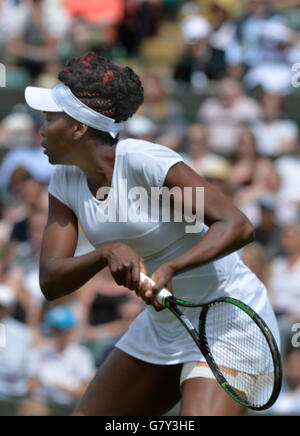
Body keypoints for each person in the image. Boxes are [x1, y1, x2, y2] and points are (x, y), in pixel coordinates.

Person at [24, 52, 280, 416]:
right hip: (164, 326)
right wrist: (104, 253)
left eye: (50, 119)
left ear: (79, 127)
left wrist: (170, 270)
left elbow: (237, 225)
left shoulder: (145, 163)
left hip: (229, 322)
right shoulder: (64, 181)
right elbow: (51, 280)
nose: (43, 128)